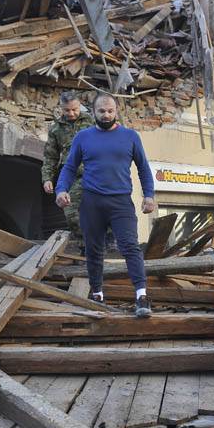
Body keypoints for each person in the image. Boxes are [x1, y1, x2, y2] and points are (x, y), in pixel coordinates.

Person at [56, 92, 156, 317]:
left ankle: (141, 296)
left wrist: (149, 195)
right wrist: (61, 189)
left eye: (110, 111)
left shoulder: (130, 136)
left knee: (130, 247)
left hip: (121, 202)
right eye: (101, 111)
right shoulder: (83, 137)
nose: (106, 115)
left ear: (116, 111)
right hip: (92, 202)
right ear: (93, 112)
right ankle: (97, 295)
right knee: (93, 249)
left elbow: (143, 168)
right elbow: (70, 167)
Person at [42, 91, 93, 246]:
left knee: (101, 208)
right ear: (61, 108)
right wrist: (47, 179)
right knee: (71, 212)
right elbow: (50, 156)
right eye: (67, 110)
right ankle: (84, 244)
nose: (71, 113)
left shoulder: (92, 122)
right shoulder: (55, 129)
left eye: (74, 109)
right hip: (72, 176)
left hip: (94, 173)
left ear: (80, 105)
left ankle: (108, 240)